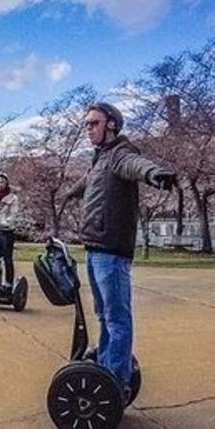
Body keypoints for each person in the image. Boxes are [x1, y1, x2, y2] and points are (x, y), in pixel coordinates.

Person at [65, 101, 176, 399]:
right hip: (93, 247)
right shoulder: (99, 159)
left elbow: (135, 166)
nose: (88, 129)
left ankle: (114, 382)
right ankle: (106, 366)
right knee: (103, 315)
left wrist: (155, 174)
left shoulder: (120, 154)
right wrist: (70, 192)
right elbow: (87, 182)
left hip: (111, 251)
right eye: (87, 124)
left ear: (111, 124)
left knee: (116, 318)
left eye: (94, 123)